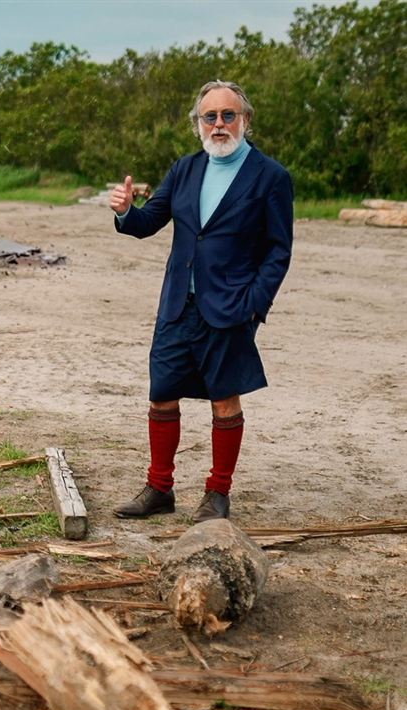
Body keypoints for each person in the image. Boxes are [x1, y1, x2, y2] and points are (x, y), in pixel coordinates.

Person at [109, 80, 293, 523]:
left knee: (224, 401)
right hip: (177, 305)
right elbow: (149, 221)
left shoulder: (271, 177)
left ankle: (218, 493)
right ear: (198, 124)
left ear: (245, 121)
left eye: (228, 115)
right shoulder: (186, 169)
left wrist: (253, 305)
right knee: (161, 397)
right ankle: (159, 487)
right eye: (209, 116)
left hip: (230, 309)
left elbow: (278, 251)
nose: (219, 124)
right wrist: (124, 211)